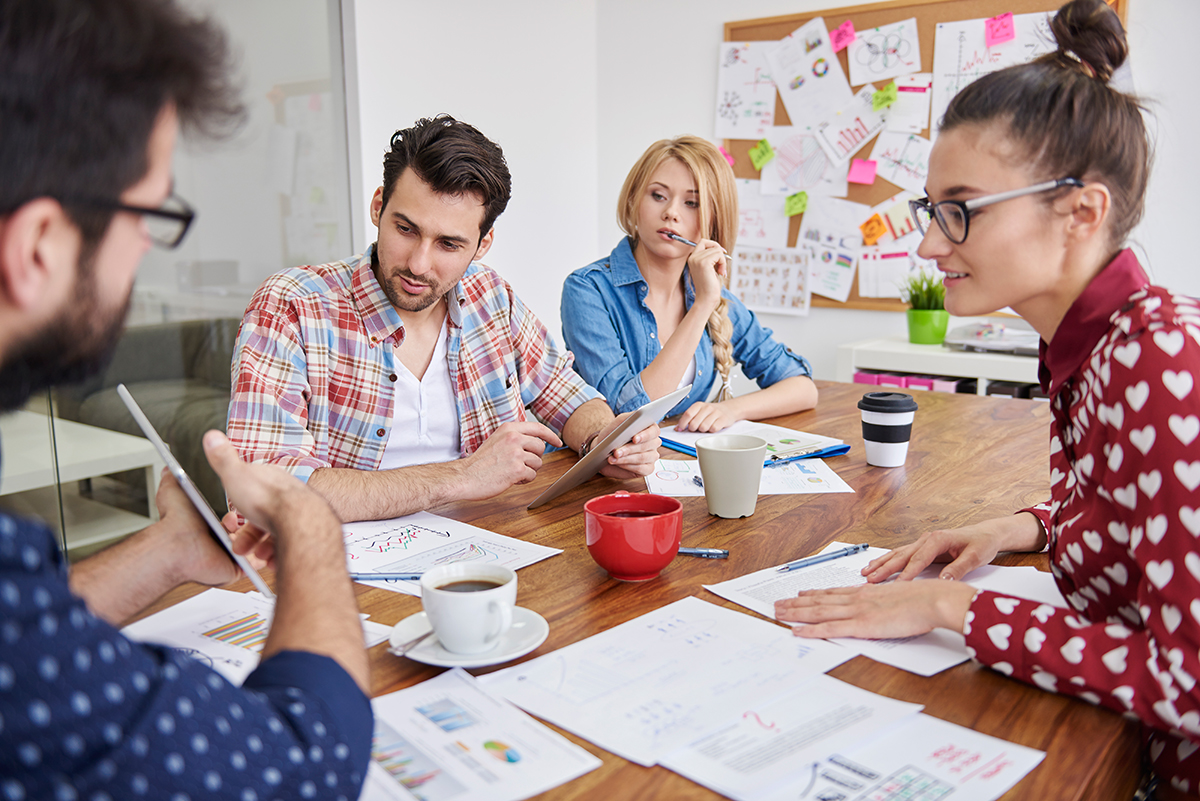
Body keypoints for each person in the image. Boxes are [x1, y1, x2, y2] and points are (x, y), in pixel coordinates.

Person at [774, 1, 1199, 796]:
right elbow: (1138, 512)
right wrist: (1015, 527)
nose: (930, 243)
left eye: (958, 210)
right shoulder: (1100, 342)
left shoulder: (1158, 360)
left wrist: (951, 609)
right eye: (929, 211)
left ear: (1081, 210)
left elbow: (1189, 681)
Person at [0, 1, 372, 798]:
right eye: (150, 216)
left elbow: (29, 631)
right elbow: (302, 765)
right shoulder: (298, 301)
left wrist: (171, 547)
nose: (146, 255)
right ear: (38, 246)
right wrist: (310, 521)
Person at [229, 116, 660, 523]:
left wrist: (606, 442)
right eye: (406, 229)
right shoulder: (292, 306)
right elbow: (261, 488)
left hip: (486, 551)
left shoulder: (489, 296)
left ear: (482, 244)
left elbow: (563, 392)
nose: (419, 264)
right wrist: (464, 476)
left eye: (449, 245)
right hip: (342, 572)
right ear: (379, 207)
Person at [561, 136, 818, 433]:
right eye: (658, 196)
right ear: (633, 200)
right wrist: (702, 306)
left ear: (713, 219)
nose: (671, 212)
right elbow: (627, 416)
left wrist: (729, 409)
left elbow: (802, 387)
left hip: (679, 465)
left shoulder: (715, 299)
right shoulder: (587, 291)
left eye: (692, 203)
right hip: (608, 470)